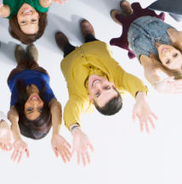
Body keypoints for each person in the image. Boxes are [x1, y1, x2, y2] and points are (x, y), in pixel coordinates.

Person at [55, 19, 156, 167]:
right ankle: (88, 35)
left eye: (97, 93)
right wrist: (141, 98)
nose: (98, 85)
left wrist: (76, 130)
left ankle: (66, 46)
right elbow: (131, 82)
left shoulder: (80, 99)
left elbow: (71, 110)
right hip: (95, 48)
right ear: (113, 85)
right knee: (90, 38)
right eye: (106, 87)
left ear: (90, 99)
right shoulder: (118, 78)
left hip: (71, 60)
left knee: (67, 49)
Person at [108, 0, 182, 94]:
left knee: (123, 22)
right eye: (175, 55)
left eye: (167, 61)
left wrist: (157, 85)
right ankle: (129, 12)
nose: (167, 53)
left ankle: (123, 21)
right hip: (146, 18)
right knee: (134, 11)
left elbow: (150, 74)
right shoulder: (175, 37)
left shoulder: (152, 63)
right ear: (180, 50)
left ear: (163, 66)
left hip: (129, 32)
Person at [5, 43, 72, 164]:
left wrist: (17, 138)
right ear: (46, 109)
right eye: (40, 109)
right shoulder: (48, 99)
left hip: (17, 75)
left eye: (29, 109)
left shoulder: (16, 103)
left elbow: (12, 117)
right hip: (39, 73)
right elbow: (56, 108)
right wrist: (56, 133)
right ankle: (32, 60)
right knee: (33, 63)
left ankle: (21, 61)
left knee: (21, 65)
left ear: (22, 110)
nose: (35, 103)